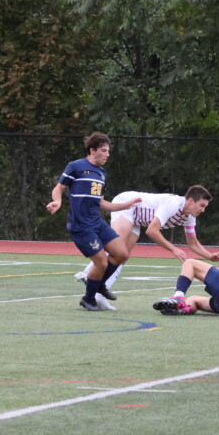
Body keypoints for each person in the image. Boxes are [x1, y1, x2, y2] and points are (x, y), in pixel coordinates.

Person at [74, 185, 219, 301]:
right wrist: (173, 249)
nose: (203, 210)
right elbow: (152, 231)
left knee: (123, 256)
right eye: (202, 206)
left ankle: (99, 292)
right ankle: (89, 275)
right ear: (191, 200)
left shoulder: (189, 216)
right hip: (128, 204)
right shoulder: (173, 204)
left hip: (137, 219)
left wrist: (210, 256)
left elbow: (192, 243)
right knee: (117, 247)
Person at [46, 132, 140, 311]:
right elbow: (58, 189)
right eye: (103, 151)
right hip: (81, 227)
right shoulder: (75, 166)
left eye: (108, 151)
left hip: (97, 223)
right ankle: (89, 299)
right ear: (92, 150)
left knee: (122, 254)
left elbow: (101, 203)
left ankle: (99, 285)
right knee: (102, 262)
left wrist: (126, 205)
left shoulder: (102, 173)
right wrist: (57, 201)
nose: (107, 154)